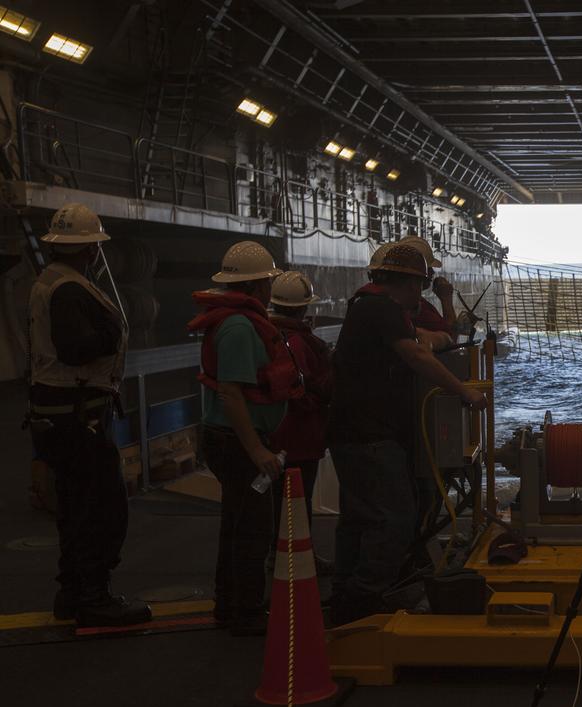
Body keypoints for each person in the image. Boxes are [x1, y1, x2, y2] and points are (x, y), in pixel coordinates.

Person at [327, 244, 488, 625]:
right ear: (408, 283)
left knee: (357, 519)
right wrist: (463, 392)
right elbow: (417, 355)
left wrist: (438, 340)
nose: (421, 294)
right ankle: (365, 598)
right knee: (395, 516)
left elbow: (424, 340)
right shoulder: (383, 309)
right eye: (420, 286)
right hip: (371, 437)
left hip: (349, 432)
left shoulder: (365, 307)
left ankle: (345, 598)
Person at [27, 203, 151, 626]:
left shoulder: (51, 281)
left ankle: (72, 592)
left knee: (75, 507)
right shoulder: (69, 289)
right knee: (102, 507)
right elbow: (74, 349)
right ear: (92, 250)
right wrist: (110, 333)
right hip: (78, 418)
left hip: (59, 415)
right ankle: (94, 596)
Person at [190, 241, 301, 631]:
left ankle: (231, 605)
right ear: (257, 288)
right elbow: (232, 394)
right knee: (252, 528)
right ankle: (247, 612)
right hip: (238, 442)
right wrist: (256, 450)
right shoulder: (238, 327)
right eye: (267, 283)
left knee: (237, 523)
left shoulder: (234, 321)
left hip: (234, 439)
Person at [268, 270, 333, 531]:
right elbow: (310, 390)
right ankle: (298, 562)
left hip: (275, 433)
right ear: (304, 307)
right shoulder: (300, 342)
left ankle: (279, 555)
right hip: (301, 436)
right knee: (298, 500)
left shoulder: (268, 336)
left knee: (279, 502)